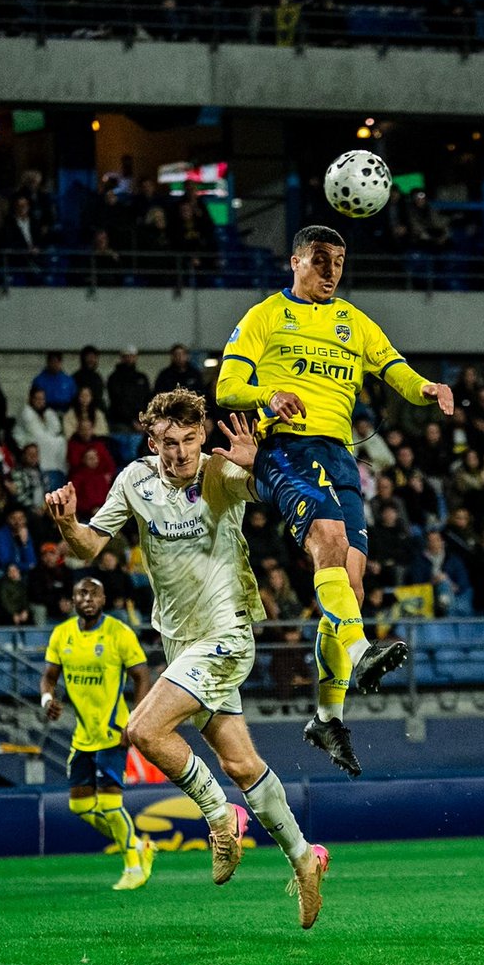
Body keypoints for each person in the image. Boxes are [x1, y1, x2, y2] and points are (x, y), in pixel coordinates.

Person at [45, 390, 330, 928]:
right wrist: (66, 523)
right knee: (241, 764)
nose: (179, 454)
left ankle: (221, 819)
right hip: (180, 644)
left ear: (203, 437)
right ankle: (304, 856)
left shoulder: (218, 474)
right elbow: (87, 548)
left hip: (226, 635)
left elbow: (264, 490)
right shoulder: (134, 480)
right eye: (168, 443)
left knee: (144, 731)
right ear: (152, 441)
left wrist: (258, 461)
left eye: (189, 441)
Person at [216, 224, 454, 775]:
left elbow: (390, 365)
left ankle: (326, 718)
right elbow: (228, 386)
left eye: (339, 261)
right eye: (320, 259)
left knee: (352, 579)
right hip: (287, 449)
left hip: (341, 456)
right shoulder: (265, 317)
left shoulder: (354, 321)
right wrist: (267, 396)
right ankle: (359, 649)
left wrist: (425, 388)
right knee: (328, 539)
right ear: (294, 261)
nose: (331, 271)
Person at [40, 577, 153, 889]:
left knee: (109, 806)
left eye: (93, 593)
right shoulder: (62, 634)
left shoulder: (118, 633)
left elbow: (142, 675)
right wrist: (47, 699)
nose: (87, 598)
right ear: (73, 600)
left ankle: (133, 865)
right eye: (81, 593)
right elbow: (49, 677)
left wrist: (135, 721)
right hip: (83, 735)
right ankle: (137, 845)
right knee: (79, 806)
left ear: (104, 600)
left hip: (113, 731)